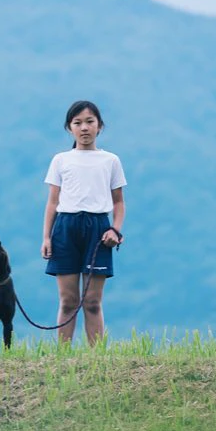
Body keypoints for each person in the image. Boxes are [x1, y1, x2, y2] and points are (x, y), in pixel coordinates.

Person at [41, 100, 126, 345]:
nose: (84, 128)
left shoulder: (110, 160)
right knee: (68, 301)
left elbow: (119, 203)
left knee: (91, 301)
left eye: (90, 122)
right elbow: (52, 202)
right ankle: (63, 357)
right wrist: (46, 237)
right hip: (65, 228)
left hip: (98, 229)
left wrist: (115, 230)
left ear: (100, 126)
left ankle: (98, 358)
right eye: (77, 123)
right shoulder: (61, 160)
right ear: (70, 128)